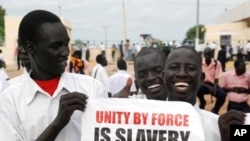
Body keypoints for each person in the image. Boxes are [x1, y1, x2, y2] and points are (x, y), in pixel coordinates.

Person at [0, 10, 110, 141]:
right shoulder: (10, 100)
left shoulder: (92, 88)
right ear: (30, 48)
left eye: (66, 44)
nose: (65, 53)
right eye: (56, 46)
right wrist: (57, 124)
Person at [164, 46, 220, 140]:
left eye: (190, 68)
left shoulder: (217, 125)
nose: (182, 74)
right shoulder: (142, 124)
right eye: (174, 67)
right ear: (163, 76)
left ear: (201, 78)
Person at [197, 47, 226, 114]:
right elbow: (199, 80)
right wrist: (208, 87)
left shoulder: (216, 63)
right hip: (202, 84)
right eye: (206, 54)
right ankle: (202, 102)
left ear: (212, 55)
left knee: (222, 94)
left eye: (209, 54)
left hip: (213, 84)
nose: (207, 56)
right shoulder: (200, 63)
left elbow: (216, 78)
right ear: (204, 55)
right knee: (196, 90)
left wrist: (214, 88)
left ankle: (215, 109)